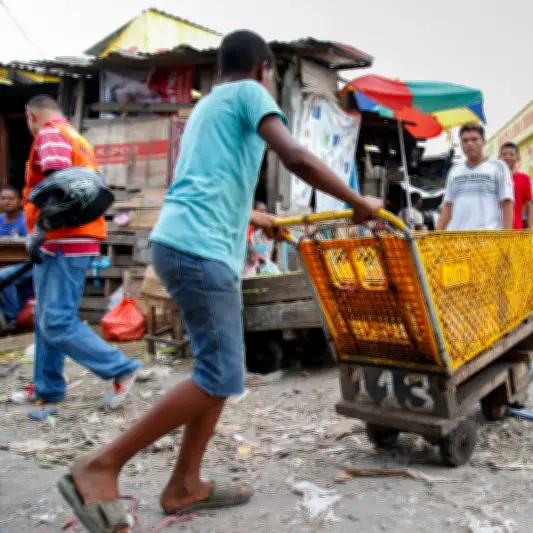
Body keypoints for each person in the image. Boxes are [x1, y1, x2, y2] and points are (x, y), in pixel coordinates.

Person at [60, 30, 381, 533]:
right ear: (263, 69)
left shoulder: (207, 108)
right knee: (221, 375)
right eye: (271, 74)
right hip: (200, 250)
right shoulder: (251, 94)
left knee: (218, 372)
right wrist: (357, 202)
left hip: (183, 242)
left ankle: (185, 483)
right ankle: (101, 465)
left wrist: (257, 216)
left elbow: (205, 181)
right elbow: (295, 157)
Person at [12, 95, 140, 406]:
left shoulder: (50, 135)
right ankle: (48, 387)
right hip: (67, 238)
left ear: (31, 118)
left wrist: (40, 228)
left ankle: (121, 368)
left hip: (64, 238)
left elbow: (61, 185)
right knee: (45, 316)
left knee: (56, 319)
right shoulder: (75, 136)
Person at [436, 123, 513, 231]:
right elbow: (447, 206)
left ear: (483, 142)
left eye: (474, 139)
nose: (469, 144)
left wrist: (508, 236)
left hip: (488, 237)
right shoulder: (454, 171)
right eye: (465, 140)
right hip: (457, 239)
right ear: (461, 144)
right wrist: (437, 234)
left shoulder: (498, 167)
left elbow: (506, 203)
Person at [0, 186, 33, 327]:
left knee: (2, 276)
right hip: (5, 262)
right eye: (3, 198)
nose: (7, 201)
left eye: (11, 198)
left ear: (20, 202)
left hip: (28, 264)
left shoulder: (26, 220)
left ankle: (14, 318)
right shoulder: (0, 220)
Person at [499, 142, 533, 231]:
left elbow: (529, 206)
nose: (507, 157)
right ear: (499, 158)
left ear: (518, 158)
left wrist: (531, 231)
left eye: (511, 154)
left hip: (516, 231)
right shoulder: (493, 178)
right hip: (494, 231)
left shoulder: (524, 179)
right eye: (504, 154)